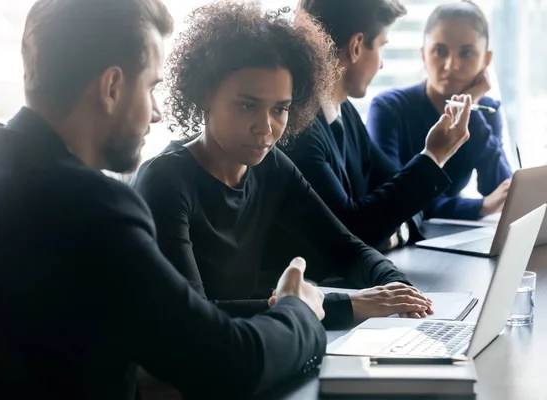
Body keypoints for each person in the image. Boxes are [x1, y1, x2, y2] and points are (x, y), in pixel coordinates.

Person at [0, 1, 330, 399]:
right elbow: (228, 363)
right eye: (150, 87)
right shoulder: (93, 209)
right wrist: (297, 310)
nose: (158, 114)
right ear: (112, 87)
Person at [132, 0, 436, 331]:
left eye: (280, 109)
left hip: (259, 351)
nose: (265, 128)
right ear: (206, 95)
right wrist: (349, 305)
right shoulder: (165, 182)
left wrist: (399, 288)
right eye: (247, 105)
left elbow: (344, 246)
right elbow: (191, 321)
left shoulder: (270, 164)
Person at [279, 0, 472, 251]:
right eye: (381, 45)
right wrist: (434, 156)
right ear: (357, 46)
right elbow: (352, 233)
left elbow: (406, 202)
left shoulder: (344, 112)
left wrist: (395, 234)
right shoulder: (301, 131)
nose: (381, 63)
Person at [368, 0, 512, 220]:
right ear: (424, 54)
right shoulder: (389, 109)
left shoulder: (487, 111)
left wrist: (469, 106)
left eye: (466, 53)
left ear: (486, 59)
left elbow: (503, 192)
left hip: (448, 233)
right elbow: (394, 199)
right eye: (440, 51)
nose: (451, 65)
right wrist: (479, 207)